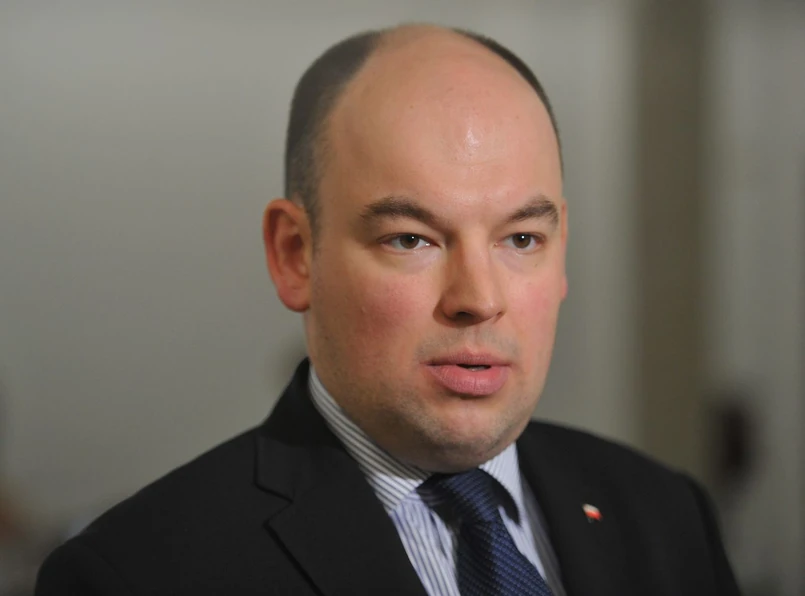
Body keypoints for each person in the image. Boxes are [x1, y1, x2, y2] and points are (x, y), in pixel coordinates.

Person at [35, 24, 741, 596]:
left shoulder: (664, 514)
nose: (479, 299)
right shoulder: (138, 575)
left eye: (521, 239)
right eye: (411, 239)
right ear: (294, 254)